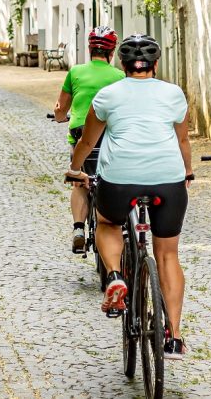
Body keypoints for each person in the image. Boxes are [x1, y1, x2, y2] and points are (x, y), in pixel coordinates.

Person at [66, 34, 193, 360]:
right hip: (168, 180)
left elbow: (88, 142)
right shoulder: (174, 94)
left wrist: (75, 168)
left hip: (119, 180)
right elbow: (182, 142)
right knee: (168, 254)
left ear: (121, 64)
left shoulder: (107, 95)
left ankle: (116, 276)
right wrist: (187, 174)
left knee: (108, 223)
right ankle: (175, 337)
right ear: (156, 63)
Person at [52, 25, 124, 253]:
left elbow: (61, 109)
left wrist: (60, 116)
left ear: (90, 49)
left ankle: (78, 229)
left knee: (79, 181)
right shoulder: (120, 76)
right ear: (112, 53)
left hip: (80, 133)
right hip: (109, 134)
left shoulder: (75, 72)